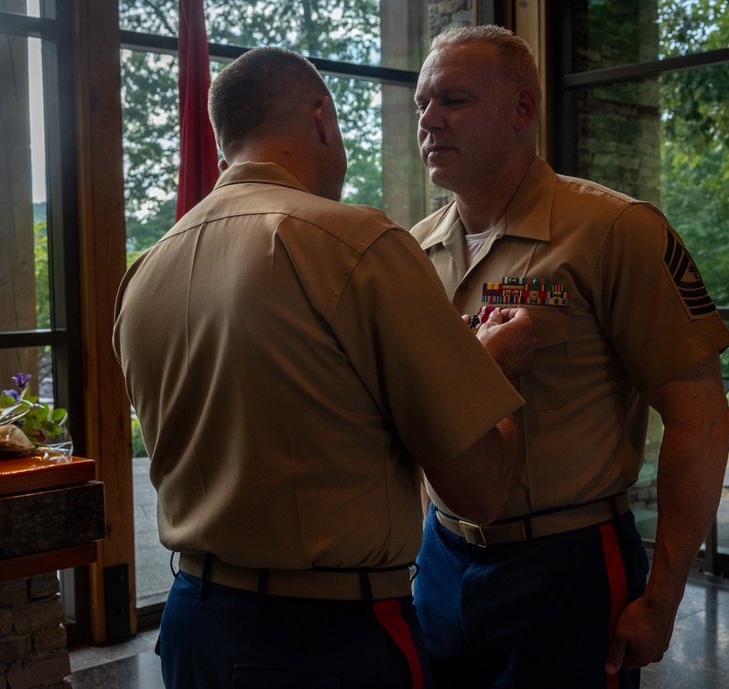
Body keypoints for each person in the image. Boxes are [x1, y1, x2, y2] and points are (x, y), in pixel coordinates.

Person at [113, 46, 536, 689]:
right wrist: (486, 370)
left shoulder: (145, 273)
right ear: (322, 119)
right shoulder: (356, 245)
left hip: (191, 628)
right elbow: (475, 491)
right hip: (324, 636)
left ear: (227, 143)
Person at [410, 25, 729, 689]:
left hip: (566, 565)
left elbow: (702, 418)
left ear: (522, 110)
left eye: (454, 100)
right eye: (421, 104)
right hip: (441, 559)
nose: (430, 121)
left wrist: (663, 598)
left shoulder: (615, 230)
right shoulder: (411, 254)